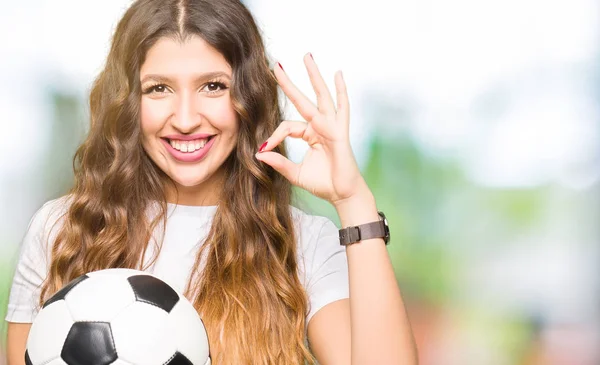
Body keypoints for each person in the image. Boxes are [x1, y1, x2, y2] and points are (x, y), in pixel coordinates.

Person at [5, 0, 417, 364]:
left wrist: (353, 200)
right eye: (159, 88)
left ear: (248, 99)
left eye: (213, 86)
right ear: (129, 103)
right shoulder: (61, 230)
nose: (185, 119)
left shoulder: (302, 243)